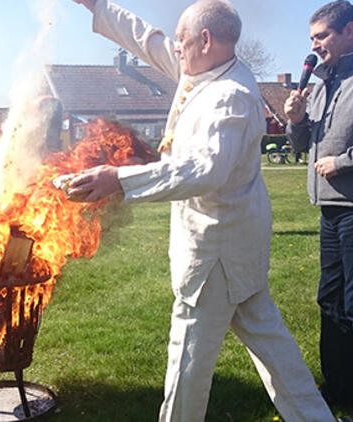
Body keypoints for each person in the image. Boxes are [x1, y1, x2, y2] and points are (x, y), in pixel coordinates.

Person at [69, 0, 335, 420]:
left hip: (216, 258)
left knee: (186, 366)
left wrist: (119, 180)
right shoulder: (202, 71)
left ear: (205, 40)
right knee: (277, 355)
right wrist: (97, 5)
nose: (174, 47)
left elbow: (205, 170)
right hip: (237, 250)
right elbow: (149, 40)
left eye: (182, 39)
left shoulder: (229, 96)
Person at [284, 0, 353, 409]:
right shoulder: (320, 83)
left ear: (349, 32)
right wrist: (295, 119)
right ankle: (339, 389)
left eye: (323, 36)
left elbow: (335, 156)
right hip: (329, 210)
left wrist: (343, 162)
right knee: (330, 300)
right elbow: (299, 147)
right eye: (312, 38)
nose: (315, 46)